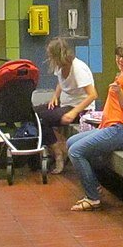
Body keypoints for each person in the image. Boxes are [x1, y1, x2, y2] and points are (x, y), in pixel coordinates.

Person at [67, 41, 123, 211]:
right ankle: (94, 183)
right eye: (119, 56)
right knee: (72, 142)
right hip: (110, 126)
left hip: (122, 129)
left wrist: (119, 93)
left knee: (76, 151)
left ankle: (92, 196)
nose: (121, 60)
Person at [34, 38, 98, 174]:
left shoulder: (78, 69)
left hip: (81, 109)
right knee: (33, 113)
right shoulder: (60, 66)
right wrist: (54, 97)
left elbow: (92, 95)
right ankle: (56, 148)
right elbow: (60, 83)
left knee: (43, 118)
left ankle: (58, 153)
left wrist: (73, 113)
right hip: (65, 105)